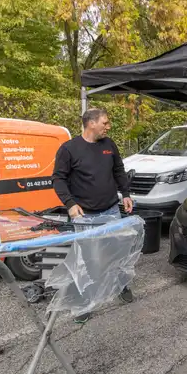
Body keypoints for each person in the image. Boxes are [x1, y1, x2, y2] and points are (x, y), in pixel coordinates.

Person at [52, 107, 135, 323]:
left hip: (111, 209)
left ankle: (121, 286)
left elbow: (118, 170)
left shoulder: (109, 145)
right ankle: (84, 303)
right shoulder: (69, 149)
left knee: (116, 251)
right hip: (84, 215)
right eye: (105, 123)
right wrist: (70, 204)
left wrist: (126, 194)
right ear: (91, 123)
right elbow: (58, 179)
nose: (109, 127)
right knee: (86, 259)